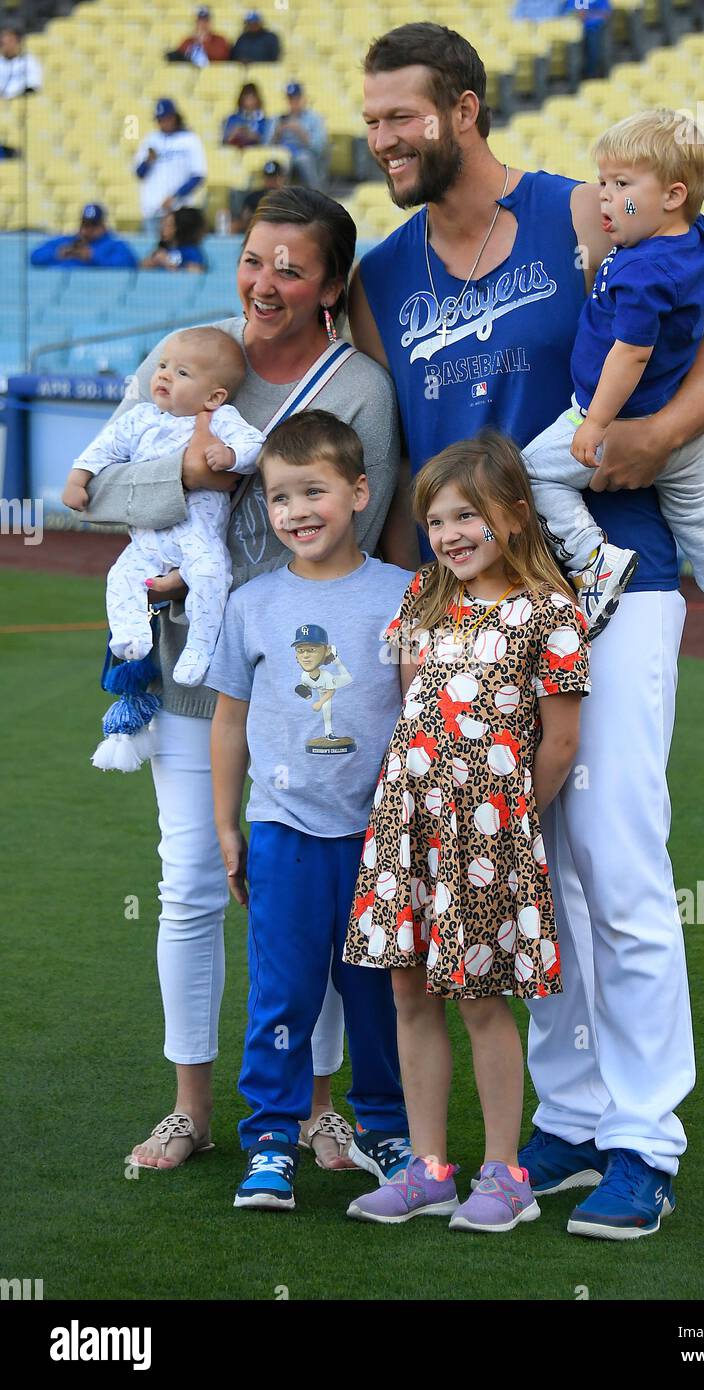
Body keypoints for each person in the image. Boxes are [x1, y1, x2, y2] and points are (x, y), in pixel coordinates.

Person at [350, 22, 704, 1238]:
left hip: (612, 579)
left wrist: (650, 434)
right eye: (371, 119)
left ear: (464, 112)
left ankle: (645, 1135)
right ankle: (575, 1115)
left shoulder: (579, 206)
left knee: (617, 858)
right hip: (475, 617)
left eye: (401, 117)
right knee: (532, 867)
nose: (382, 139)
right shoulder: (383, 271)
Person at [80, 188, 403, 1176]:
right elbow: (100, 499)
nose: (266, 284)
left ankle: (314, 1108)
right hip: (182, 666)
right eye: (256, 259)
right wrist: (194, 475)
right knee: (186, 884)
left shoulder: (358, 389)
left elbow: (351, 527)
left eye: (292, 269)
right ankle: (191, 1108)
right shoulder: (191, 348)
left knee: (301, 895)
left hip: (303, 680)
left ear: (330, 286)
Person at [344, 432, 590, 1232]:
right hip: (407, 825)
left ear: (515, 518)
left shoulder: (551, 613)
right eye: (435, 519)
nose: (448, 534)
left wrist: (508, 818)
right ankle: (427, 1169)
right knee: (408, 990)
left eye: (466, 516)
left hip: (487, 840)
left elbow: (559, 741)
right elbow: (412, 703)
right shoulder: (422, 595)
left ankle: (503, 1172)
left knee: (480, 998)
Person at [208, 411, 411, 1210]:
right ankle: (270, 1139)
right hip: (283, 831)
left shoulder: (404, 593)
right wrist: (229, 823)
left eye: (313, 491)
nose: (296, 510)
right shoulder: (253, 604)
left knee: (381, 992)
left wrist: (417, 827)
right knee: (283, 993)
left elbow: (417, 708)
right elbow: (229, 723)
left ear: (358, 492)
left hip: (379, 837)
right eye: (279, 495)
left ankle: (390, 1128)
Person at [523, 109, 704, 669]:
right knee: (696, 509)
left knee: (533, 472)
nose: (603, 198)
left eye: (621, 185)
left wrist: (595, 422)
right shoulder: (696, 238)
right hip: (679, 418)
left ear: (673, 195)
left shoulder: (643, 271)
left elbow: (631, 352)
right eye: (603, 182)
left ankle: (596, 561)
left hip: (620, 418)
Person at [63, 329, 265, 693]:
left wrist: (231, 455)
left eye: (182, 373)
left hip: (196, 534)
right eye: (163, 366)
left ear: (214, 396)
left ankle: (201, 646)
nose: (165, 375)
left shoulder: (219, 418)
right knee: (121, 575)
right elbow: (102, 449)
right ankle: (131, 637)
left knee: (210, 574)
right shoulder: (138, 419)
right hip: (147, 537)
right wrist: (78, 479)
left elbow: (255, 445)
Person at [133, 98, 207, 244]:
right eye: (160, 119)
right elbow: (139, 173)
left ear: (174, 117)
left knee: (179, 250)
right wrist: (148, 161)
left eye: (166, 118)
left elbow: (198, 175)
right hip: (152, 210)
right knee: (154, 252)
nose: (163, 123)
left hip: (179, 212)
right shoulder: (151, 139)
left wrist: (175, 196)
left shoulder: (189, 139)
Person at [30, 203, 137, 269]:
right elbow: (35, 257)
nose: (88, 229)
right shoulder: (68, 240)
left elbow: (128, 265)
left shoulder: (115, 244)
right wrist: (57, 253)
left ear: (103, 225)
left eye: (93, 225)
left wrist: (92, 256)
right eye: (85, 224)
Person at [272, 83, 329, 189]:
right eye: (290, 99)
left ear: (303, 99)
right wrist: (277, 133)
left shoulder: (314, 118)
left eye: (296, 99)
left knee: (303, 159)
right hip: (282, 152)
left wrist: (300, 132)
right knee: (279, 160)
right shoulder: (279, 118)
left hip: (305, 152)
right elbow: (266, 145)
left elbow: (320, 148)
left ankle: (316, 196)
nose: (293, 102)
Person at [139, 207, 208, 273]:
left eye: (168, 226)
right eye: (162, 224)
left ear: (179, 228)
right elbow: (141, 267)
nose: (162, 229)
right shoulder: (161, 250)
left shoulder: (190, 251)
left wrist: (168, 262)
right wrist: (153, 262)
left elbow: (197, 271)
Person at [233, 159, 286, 235]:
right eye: (268, 178)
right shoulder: (252, 198)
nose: (271, 181)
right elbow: (240, 223)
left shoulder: (289, 198)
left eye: (274, 178)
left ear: (282, 178)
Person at [166, 7, 231, 64]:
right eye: (199, 21)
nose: (202, 25)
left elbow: (222, 57)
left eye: (205, 21)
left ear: (210, 23)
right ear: (195, 23)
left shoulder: (219, 40)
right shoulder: (188, 41)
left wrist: (204, 43)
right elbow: (178, 57)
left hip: (214, 75)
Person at [0, 22, 42, 99]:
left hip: (22, 100)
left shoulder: (29, 60)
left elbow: (33, 85)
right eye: (3, 43)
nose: (6, 45)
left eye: (10, 40)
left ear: (18, 42)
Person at [222, 83, 270, 148]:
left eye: (252, 97)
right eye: (246, 97)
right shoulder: (232, 118)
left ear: (257, 99)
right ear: (241, 99)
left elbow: (267, 142)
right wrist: (234, 133)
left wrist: (249, 134)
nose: (249, 101)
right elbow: (224, 142)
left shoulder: (263, 120)